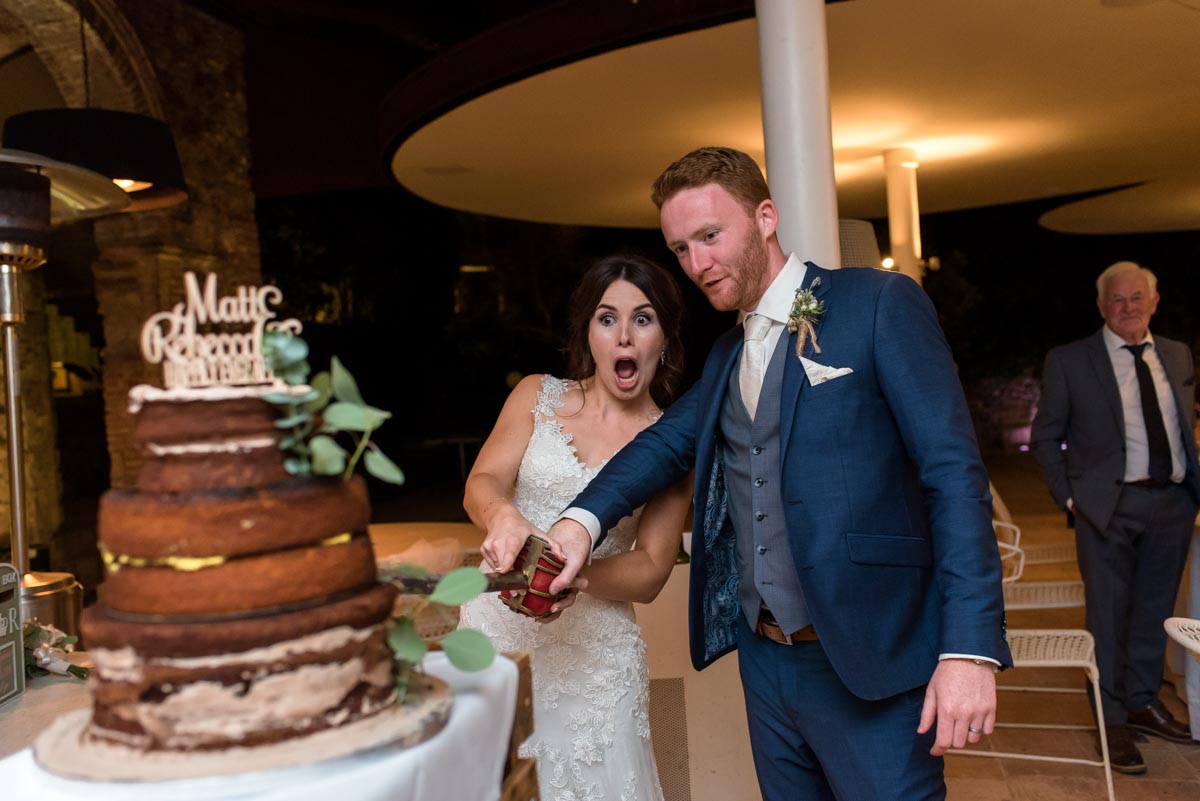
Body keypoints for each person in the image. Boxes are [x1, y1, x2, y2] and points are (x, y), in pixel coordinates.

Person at [488, 146, 1011, 801]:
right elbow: (657, 451)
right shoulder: (727, 354)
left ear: (766, 216)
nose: (697, 263)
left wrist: (969, 648)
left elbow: (953, 474)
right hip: (765, 661)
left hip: (869, 653)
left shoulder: (876, 303)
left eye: (710, 236)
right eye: (680, 248)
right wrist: (575, 525)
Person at [458, 254, 692, 801]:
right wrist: (504, 515)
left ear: (666, 337)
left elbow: (653, 568)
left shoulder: (676, 442)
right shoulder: (536, 397)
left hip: (598, 663)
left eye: (644, 318)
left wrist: (574, 575)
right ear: (587, 332)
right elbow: (482, 480)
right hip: (497, 635)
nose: (624, 337)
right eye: (607, 318)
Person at [1030, 260, 1200, 772]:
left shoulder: (1176, 353)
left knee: (1154, 611)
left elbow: (1181, 427)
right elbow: (1044, 437)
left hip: (1171, 503)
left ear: (1154, 301)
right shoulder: (1069, 360)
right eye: (1118, 300)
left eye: (1137, 297)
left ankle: (1144, 702)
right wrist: (1071, 498)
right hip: (1107, 508)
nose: (1128, 308)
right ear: (1103, 307)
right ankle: (1112, 721)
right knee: (1107, 618)